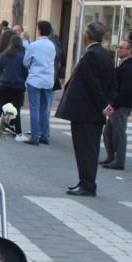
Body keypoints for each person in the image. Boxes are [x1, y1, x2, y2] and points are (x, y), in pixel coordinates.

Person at [55, 22, 114, 197]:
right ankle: (84, 182)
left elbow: (93, 84)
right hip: (90, 112)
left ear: (88, 35)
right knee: (86, 149)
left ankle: (87, 185)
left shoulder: (93, 55)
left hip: (87, 113)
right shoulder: (103, 54)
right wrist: (106, 103)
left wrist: (104, 105)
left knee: (86, 150)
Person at [101, 40, 132, 170]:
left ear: (129, 50)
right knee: (108, 132)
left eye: (121, 48)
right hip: (117, 104)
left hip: (122, 105)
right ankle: (111, 157)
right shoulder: (123, 66)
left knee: (118, 133)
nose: (119, 50)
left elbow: (125, 90)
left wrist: (113, 105)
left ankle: (119, 160)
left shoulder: (128, 67)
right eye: (118, 47)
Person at [21, 21, 57, 145]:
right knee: (44, 108)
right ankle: (45, 135)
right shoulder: (52, 45)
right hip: (48, 80)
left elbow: (25, 62)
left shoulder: (34, 45)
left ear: (39, 30)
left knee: (35, 109)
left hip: (35, 79)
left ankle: (35, 136)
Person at [0, 34, 26, 137]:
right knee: (16, 110)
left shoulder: (4, 54)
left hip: (5, 84)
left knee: (1, 108)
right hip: (18, 86)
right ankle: (18, 133)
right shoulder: (23, 56)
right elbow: (25, 71)